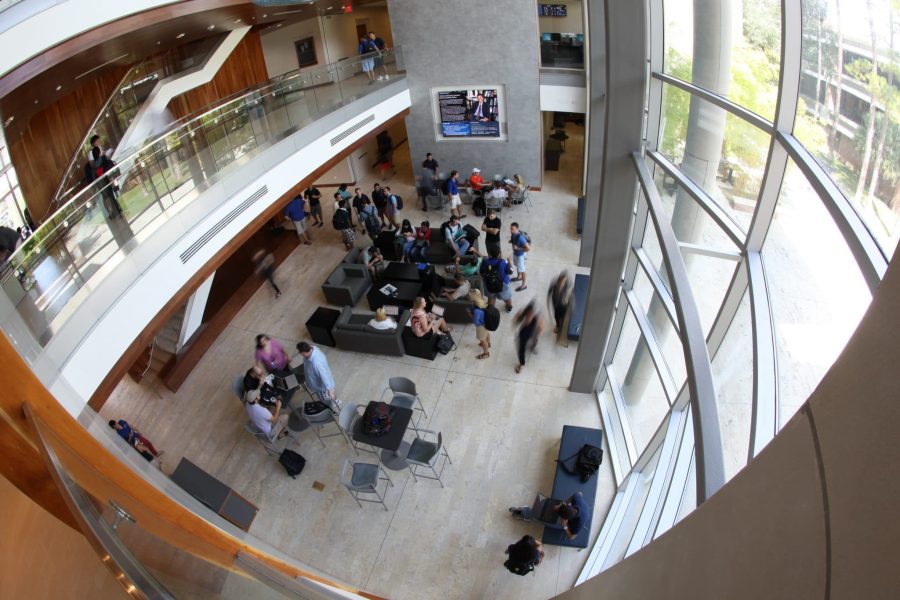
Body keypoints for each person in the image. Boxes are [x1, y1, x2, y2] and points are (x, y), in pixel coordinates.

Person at [509, 492, 591, 541]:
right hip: (568, 511)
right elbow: (579, 493)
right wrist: (561, 504)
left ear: (565, 519)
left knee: (543, 518)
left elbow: (571, 537)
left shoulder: (579, 523)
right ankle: (527, 512)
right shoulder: (577, 499)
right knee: (546, 507)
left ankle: (527, 514)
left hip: (568, 525)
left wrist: (565, 526)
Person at [297, 341, 339, 409]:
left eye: (300, 352)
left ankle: (332, 405)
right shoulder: (312, 350)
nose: (300, 354)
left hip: (321, 386)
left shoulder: (316, 363)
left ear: (304, 352)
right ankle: (336, 400)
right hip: (319, 383)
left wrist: (329, 389)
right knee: (330, 393)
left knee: (326, 399)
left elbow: (324, 375)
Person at [480, 247, 514, 313]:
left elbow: (481, 273)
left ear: (489, 254)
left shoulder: (484, 261)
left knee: (491, 298)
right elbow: (511, 271)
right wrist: (510, 262)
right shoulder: (503, 262)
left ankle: (490, 312)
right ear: (499, 254)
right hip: (503, 284)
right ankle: (509, 307)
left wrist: (487, 279)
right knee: (506, 297)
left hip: (489, 284)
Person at [514, 301, 544, 374]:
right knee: (521, 350)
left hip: (533, 334)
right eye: (528, 314)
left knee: (535, 340)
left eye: (531, 314)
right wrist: (517, 318)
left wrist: (538, 333)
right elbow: (515, 322)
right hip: (523, 335)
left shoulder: (537, 318)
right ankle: (521, 364)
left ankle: (533, 346)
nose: (529, 316)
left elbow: (541, 328)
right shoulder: (522, 315)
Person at [548, 271, 572, 342]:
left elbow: (569, 291)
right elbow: (549, 292)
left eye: (564, 281)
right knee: (556, 315)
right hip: (556, 303)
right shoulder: (554, 284)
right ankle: (558, 325)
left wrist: (567, 298)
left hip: (564, 304)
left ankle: (564, 326)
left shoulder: (567, 285)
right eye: (561, 281)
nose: (562, 283)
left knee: (564, 315)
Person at [469, 289, 491, 359]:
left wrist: (469, 314)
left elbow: (476, 322)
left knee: (482, 339)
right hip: (486, 323)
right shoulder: (482, 301)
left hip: (481, 326)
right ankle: (488, 343)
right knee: (486, 333)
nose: (468, 297)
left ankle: (486, 353)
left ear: (473, 298)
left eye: (469, 296)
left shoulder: (476, 310)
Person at [510, 222, 530, 291]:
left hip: (520, 256)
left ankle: (523, 285)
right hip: (516, 254)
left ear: (517, 229)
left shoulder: (521, 238)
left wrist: (518, 248)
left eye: (512, 229)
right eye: (510, 228)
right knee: (517, 266)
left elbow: (528, 248)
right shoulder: (513, 234)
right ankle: (519, 277)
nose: (511, 230)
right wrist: (511, 241)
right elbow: (513, 241)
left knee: (523, 270)